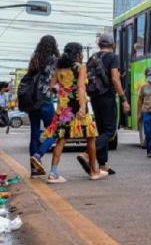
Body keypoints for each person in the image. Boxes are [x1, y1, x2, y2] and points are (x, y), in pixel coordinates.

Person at [38, 43, 107, 183]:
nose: (82, 55)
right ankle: (94, 171)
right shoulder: (81, 67)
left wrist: (63, 91)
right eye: (81, 52)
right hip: (77, 104)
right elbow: (81, 87)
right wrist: (82, 106)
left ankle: (53, 173)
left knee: (61, 138)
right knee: (90, 137)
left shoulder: (59, 68)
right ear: (77, 54)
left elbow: (51, 87)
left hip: (64, 107)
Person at [87, 33, 130, 176]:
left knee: (101, 130)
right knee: (110, 131)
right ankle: (87, 154)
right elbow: (115, 79)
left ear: (99, 44)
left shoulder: (92, 58)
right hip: (107, 96)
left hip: (94, 97)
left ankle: (103, 165)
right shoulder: (113, 57)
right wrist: (123, 99)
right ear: (113, 44)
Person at [26, 35, 60, 178]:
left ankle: (34, 170)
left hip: (31, 100)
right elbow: (56, 81)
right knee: (55, 131)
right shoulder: (54, 61)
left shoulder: (35, 58)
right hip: (45, 100)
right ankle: (39, 155)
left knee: (34, 132)